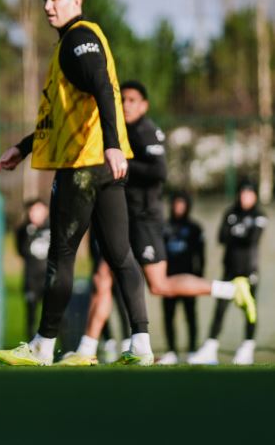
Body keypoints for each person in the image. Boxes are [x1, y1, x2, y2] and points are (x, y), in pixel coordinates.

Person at [0, 0, 153, 366]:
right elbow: (69, 115)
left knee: (62, 255)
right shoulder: (80, 39)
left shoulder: (78, 39)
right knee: (120, 255)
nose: (48, 6)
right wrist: (26, 146)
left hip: (84, 166)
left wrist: (115, 145)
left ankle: (43, 346)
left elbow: (100, 85)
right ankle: (142, 345)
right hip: (103, 165)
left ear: (77, 1)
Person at [56, 80, 255, 365]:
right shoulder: (118, 130)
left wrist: (122, 160)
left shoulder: (145, 130)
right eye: (122, 99)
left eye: (133, 100)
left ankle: (231, 289)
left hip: (144, 220)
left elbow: (159, 171)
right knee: (102, 278)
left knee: (159, 285)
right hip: (122, 217)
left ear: (144, 105)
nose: (126, 104)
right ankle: (87, 349)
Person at [189, 181, 266, 365]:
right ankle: (210, 348)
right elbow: (222, 237)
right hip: (229, 270)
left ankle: (247, 348)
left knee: (250, 311)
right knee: (220, 309)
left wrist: (235, 232)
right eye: (242, 193)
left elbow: (252, 238)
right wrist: (238, 233)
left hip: (249, 272)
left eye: (248, 194)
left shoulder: (259, 215)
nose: (244, 197)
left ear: (254, 196)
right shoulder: (230, 212)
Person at [157, 190, 205, 365]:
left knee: (190, 315)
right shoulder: (164, 227)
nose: (178, 207)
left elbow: (201, 255)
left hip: (188, 280)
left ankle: (192, 350)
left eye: (182, 204)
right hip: (168, 280)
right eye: (176, 203)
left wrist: (199, 277)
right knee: (168, 316)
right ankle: (171, 351)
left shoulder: (194, 228)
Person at [15, 198, 50, 342]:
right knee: (31, 313)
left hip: (49, 277)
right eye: (32, 211)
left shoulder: (53, 227)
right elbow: (21, 251)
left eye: (38, 210)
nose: (35, 214)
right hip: (31, 278)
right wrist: (30, 231)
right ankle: (31, 344)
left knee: (53, 313)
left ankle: (61, 347)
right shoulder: (23, 230)